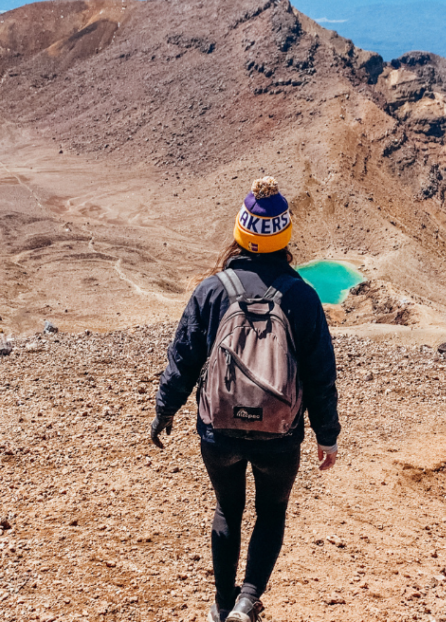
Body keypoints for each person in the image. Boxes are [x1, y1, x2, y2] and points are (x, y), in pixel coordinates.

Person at [150, 176, 341, 622]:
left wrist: (165, 409)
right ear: (285, 235)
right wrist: (326, 436)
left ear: (241, 231)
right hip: (280, 434)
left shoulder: (213, 290)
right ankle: (246, 599)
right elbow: (319, 375)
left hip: (220, 432)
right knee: (271, 511)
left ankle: (221, 604)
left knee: (227, 509)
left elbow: (183, 355)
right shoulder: (303, 297)